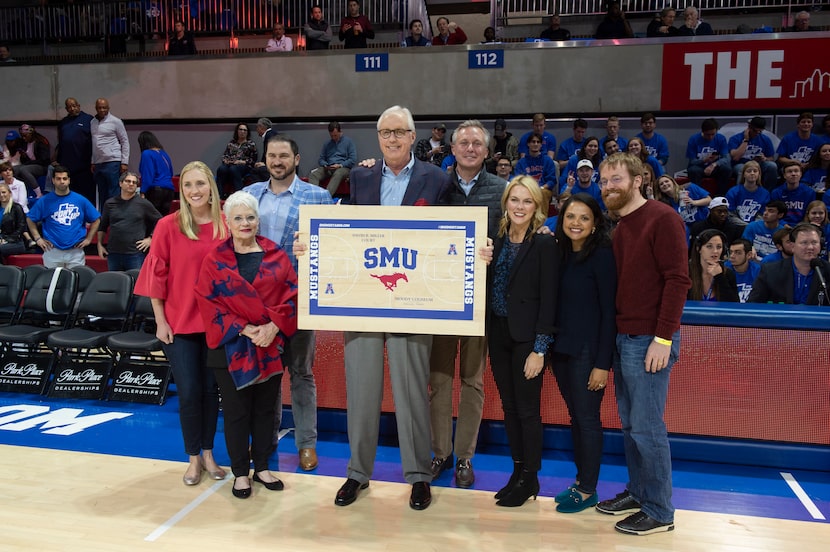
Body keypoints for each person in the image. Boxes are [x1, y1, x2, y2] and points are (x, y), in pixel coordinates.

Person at [333, 105, 451, 511]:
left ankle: (419, 476)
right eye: (386, 132)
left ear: (413, 134)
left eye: (400, 132)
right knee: (361, 390)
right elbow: (344, 235)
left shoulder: (436, 178)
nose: (393, 139)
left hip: (413, 301)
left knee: (412, 390)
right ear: (378, 137)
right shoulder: (360, 176)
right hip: (363, 300)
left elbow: (451, 234)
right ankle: (357, 473)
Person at [595, 152, 690, 536]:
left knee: (648, 428)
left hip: (649, 339)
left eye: (615, 179)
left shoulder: (663, 218)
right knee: (632, 425)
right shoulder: (620, 225)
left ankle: (659, 510)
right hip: (623, 336)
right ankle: (638, 492)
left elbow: (678, 280)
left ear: (638, 180)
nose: (608, 187)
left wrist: (663, 338)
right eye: (603, 181)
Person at [195, 191, 298, 500]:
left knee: (267, 410)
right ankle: (241, 472)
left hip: (271, 345)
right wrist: (244, 328)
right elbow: (207, 300)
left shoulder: (277, 255)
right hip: (230, 347)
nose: (245, 223)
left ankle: (263, 466)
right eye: (238, 218)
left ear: (258, 221)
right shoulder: (215, 258)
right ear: (227, 222)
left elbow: (291, 295)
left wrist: (273, 327)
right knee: (237, 412)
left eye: (250, 217)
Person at [243, 132, 334, 472]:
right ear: (264, 159)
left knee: (301, 374)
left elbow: (330, 251)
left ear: (297, 160)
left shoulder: (319, 197)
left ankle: (306, 444)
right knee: (264, 378)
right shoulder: (249, 196)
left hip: (298, 304)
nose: (277, 161)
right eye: (272, 156)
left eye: (284, 156)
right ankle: (264, 442)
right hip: (257, 306)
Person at [134, 160, 229, 487]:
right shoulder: (167, 226)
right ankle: (192, 458)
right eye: (188, 185)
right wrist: (160, 321)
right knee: (189, 393)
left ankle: (208, 453)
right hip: (179, 324)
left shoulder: (225, 224)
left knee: (210, 391)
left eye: (200, 184)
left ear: (211, 187)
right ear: (181, 189)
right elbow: (156, 276)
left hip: (216, 327)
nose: (194, 191)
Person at [429, 120, 506, 489]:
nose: (471, 148)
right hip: (441, 300)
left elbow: (515, 240)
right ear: (453, 149)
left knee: (472, 382)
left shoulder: (503, 191)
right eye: (464, 142)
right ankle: (440, 452)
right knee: (439, 380)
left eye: (477, 143)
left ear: (487, 152)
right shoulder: (436, 187)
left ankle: (464, 457)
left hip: (481, 303)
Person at [488, 175, 558, 507]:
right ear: (506, 203)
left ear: (537, 206)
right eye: (514, 200)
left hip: (527, 339)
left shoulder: (544, 243)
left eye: (527, 201)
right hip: (498, 333)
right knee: (510, 407)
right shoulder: (497, 239)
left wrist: (540, 349)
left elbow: (550, 299)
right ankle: (517, 473)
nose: (519, 206)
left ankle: (531, 476)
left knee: (528, 411)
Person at [550, 193, 615, 513]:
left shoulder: (602, 255)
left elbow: (608, 313)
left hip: (588, 353)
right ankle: (581, 482)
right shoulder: (560, 253)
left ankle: (589, 489)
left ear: (595, 224)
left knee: (587, 419)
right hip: (561, 349)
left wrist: (603, 364)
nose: (576, 223)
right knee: (577, 417)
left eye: (584, 218)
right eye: (570, 217)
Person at [26, 166, 100, 268]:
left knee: (76, 281)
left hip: (75, 251)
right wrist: (38, 238)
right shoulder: (44, 201)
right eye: (58, 179)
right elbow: (30, 218)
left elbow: (96, 219)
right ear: (53, 180)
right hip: (52, 250)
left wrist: (89, 239)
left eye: (64, 178)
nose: (62, 181)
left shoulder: (80, 200)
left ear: (69, 180)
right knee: (53, 282)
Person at [748, 223, 830, 305]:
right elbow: (753, 305)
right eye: (804, 243)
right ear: (792, 246)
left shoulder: (827, 271)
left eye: (814, 242)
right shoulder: (770, 271)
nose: (810, 247)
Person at [97, 171, 162, 271]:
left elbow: (160, 221)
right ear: (120, 183)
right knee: (115, 285)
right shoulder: (110, 203)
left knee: (136, 285)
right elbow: (103, 226)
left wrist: (151, 239)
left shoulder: (143, 204)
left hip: (135, 254)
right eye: (128, 181)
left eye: (134, 182)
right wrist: (100, 244)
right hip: (113, 253)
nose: (131, 184)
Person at [55, 98, 95, 205]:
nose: (72, 109)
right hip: (67, 165)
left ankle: (89, 219)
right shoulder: (63, 123)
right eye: (69, 107)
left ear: (79, 105)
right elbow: (61, 142)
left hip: (84, 166)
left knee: (87, 195)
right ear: (66, 108)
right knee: (70, 194)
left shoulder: (89, 120)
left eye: (74, 106)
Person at [91, 98, 130, 208]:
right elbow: (94, 143)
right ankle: (104, 219)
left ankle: (114, 217)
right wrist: (93, 161)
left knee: (113, 192)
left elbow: (124, 141)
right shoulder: (92, 122)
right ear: (96, 108)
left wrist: (124, 162)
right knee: (101, 193)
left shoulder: (116, 121)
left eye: (104, 107)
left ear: (108, 108)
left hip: (113, 161)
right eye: (99, 108)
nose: (102, 110)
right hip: (98, 163)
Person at [687, 229, 739, 302]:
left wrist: (720, 277)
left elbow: (733, 306)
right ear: (699, 249)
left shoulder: (727, 274)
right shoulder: (687, 272)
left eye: (719, 247)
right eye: (709, 246)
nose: (715, 251)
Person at [728, 117, 778, 191]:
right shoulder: (736, 138)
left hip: (759, 164)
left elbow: (771, 158)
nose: (757, 133)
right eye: (755, 131)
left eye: (760, 131)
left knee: (772, 166)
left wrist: (765, 159)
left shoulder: (765, 139)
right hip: (741, 163)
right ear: (749, 127)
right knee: (742, 169)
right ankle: (740, 193)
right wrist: (745, 140)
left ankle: (768, 193)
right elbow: (735, 157)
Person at [307, 121, 356, 196]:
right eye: (332, 136)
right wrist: (325, 165)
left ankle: (326, 197)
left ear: (340, 132)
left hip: (343, 168)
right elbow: (321, 159)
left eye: (335, 135)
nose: (334, 138)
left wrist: (340, 165)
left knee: (338, 173)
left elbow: (352, 160)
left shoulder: (348, 142)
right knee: (314, 175)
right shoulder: (327, 144)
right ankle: (315, 197)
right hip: (329, 167)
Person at [686, 118, 731, 196]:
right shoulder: (693, 139)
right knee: (693, 170)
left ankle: (720, 196)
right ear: (702, 131)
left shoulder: (721, 138)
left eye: (713, 134)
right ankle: (698, 196)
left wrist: (714, 164)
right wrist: (704, 160)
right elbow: (692, 161)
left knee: (727, 169)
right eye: (708, 135)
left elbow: (726, 158)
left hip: (715, 167)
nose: (710, 137)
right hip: (700, 167)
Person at [138, 131, 176, 216]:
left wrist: (143, 191)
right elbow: (170, 172)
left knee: (152, 220)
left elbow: (148, 175)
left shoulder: (147, 154)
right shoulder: (164, 154)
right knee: (163, 219)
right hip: (169, 190)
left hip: (155, 191)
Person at [217, 122, 257, 197]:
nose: (242, 132)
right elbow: (225, 155)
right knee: (221, 169)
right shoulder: (232, 143)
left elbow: (253, 160)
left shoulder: (251, 144)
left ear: (247, 132)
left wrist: (243, 162)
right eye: (241, 129)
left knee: (234, 169)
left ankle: (240, 195)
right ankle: (220, 195)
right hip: (230, 164)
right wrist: (225, 160)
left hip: (244, 166)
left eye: (245, 130)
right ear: (237, 131)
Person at [14, 124, 50, 198]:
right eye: (22, 136)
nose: (23, 138)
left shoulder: (41, 141)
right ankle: (22, 190)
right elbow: (24, 160)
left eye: (25, 135)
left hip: (42, 166)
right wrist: (23, 156)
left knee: (24, 169)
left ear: (31, 134)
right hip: (29, 164)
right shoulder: (23, 142)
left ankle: (39, 194)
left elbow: (44, 159)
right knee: (13, 169)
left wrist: (28, 163)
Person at [725, 238, 761, 302]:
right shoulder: (724, 270)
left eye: (738, 253)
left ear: (749, 255)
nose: (732, 256)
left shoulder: (758, 271)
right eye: (730, 252)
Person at [0, 182, 28, 261]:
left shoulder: (16, 208)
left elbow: (21, 227)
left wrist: (6, 240)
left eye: (4, 192)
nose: (1, 195)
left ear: (10, 193)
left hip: (16, 242)